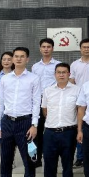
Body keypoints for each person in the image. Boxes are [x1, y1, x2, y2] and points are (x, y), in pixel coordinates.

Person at [0, 47, 42, 177]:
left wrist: (34, 125)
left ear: (27, 59)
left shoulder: (33, 78)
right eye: (16, 56)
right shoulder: (5, 79)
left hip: (25, 124)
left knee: (29, 162)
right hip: (7, 123)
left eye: (22, 56)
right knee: (5, 162)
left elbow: (36, 102)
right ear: (13, 59)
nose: (18, 59)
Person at [40, 63, 80, 177]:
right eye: (59, 72)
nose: (61, 75)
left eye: (64, 72)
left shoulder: (77, 90)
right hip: (50, 133)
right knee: (49, 167)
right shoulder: (48, 91)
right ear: (55, 74)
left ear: (69, 74)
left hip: (68, 132)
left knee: (67, 166)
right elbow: (45, 110)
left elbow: (79, 110)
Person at [31, 38, 61, 167]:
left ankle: (52, 157)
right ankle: (37, 158)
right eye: (43, 47)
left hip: (53, 101)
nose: (46, 49)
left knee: (51, 130)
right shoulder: (35, 67)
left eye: (48, 47)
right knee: (37, 131)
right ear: (40, 49)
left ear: (52, 48)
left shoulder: (58, 65)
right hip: (38, 101)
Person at [70, 38, 89, 168]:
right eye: (84, 47)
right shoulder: (74, 64)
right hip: (79, 101)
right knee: (80, 128)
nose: (86, 49)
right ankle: (80, 157)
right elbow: (72, 82)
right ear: (80, 49)